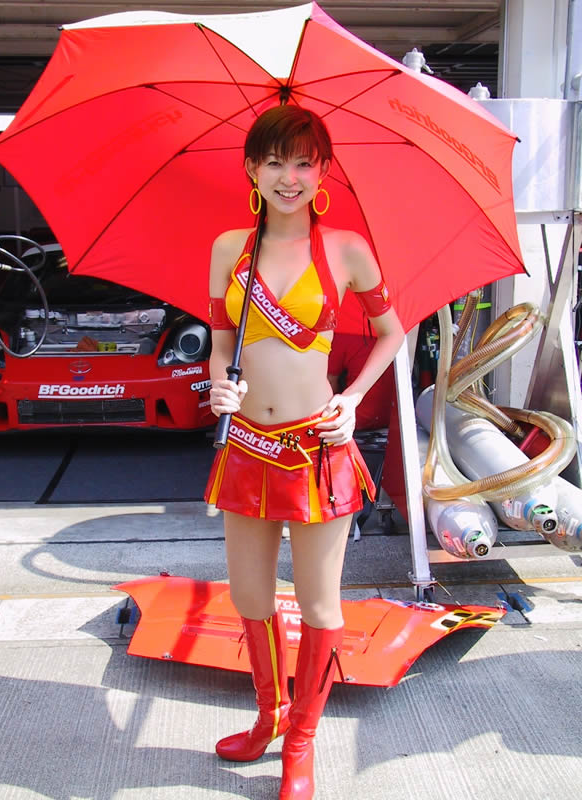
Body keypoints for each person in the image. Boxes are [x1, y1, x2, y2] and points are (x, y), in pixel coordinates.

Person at [205, 105, 405, 800]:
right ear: (251, 170)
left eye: (303, 162)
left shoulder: (346, 250)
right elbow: (221, 341)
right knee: (249, 595)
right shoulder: (229, 249)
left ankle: (300, 743)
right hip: (246, 446)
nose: (288, 177)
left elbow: (392, 332)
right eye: (274, 162)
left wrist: (352, 399)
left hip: (317, 450)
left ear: (322, 172)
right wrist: (218, 384)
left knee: (320, 605)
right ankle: (268, 716)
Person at [328, 331, 394, 430]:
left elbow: (329, 382)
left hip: (352, 421)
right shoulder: (397, 336)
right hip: (394, 422)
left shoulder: (343, 334)